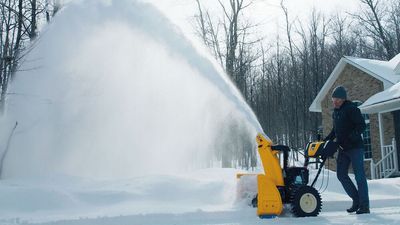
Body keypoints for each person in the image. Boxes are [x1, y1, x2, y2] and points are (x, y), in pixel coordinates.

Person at [324, 86, 370, 214]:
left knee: (359, 176)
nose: (334, 101)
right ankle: (356, 200)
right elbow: (335, 131)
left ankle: (364, 206)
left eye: (336, 99)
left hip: (355, 148)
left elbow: (361, 126)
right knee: (341, 175)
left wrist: (351, 138)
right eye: (333, 99)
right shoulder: (336, 112)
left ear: (342, 99)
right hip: (343, 149)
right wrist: (325, 140)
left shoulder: (351, 109)